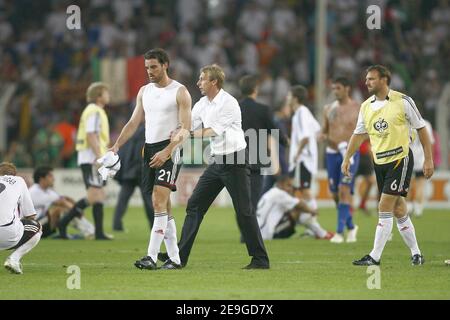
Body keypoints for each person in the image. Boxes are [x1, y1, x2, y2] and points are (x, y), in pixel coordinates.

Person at [160, 64, 270, 270]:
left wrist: (187, 135)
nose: (198, 82)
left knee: (244, 212)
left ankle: (260, 259)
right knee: (194, 205)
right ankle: (178, 258)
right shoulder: (202, 103)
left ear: (214, 82)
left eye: (202, 79)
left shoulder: (229, 103)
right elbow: (189, 125)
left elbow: (213, 131)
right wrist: (177, 131)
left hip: (235, 160)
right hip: (218, 160)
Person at [342, 65, 434, 266]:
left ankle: (374, 257)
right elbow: (358, 134)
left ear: (384, 80)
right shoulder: (366, 106)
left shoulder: (403, 101)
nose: (367, 82)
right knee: (399, 209)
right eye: (366, 79)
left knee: (384, 206)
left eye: (371, 79)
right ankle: (416, 254)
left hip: (400, 159)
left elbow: (421, 129)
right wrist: (347, 157)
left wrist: (428, 159)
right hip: (380, 162)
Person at [111, 48, 192, 270]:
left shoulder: (180, 91)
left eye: (154, 67)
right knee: (163, 205)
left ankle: (151, 256)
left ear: (165, 64)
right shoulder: (144, 91)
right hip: (148, 151)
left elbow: (186, 129)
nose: (149, 71)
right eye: (147, 67)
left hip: (170, 151)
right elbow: (133, 122)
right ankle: (175, 258)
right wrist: (117, 144)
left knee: (157, 200)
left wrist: (167, 150)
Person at [238, 74, 288, 214]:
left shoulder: (235, 108)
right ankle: (250, 233)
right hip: (257, 160)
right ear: (255, 89)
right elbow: (274, 131)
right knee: (253, 200)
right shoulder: (263, 110)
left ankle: (245, 231)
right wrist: (285, 141)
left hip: (237, 158)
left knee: (240, 200)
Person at [320, 77, 360, 244]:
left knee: (344, 190)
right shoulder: (328, 109)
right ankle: (351, 226)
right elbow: (325, 131)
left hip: (349, 154)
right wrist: (322, 136)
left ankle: (338, 232)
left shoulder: (358, 108)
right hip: (331, 153)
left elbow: (362, 132)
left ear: (347, 89)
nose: (335, 91)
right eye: (333, 88)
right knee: (335, 194)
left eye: (338, 88)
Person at [75, 82, 113, 240]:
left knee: (99, 194)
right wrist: (99, 157)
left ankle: (98, 232)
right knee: (94, 195)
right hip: (91, 159)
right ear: (99, 96)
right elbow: (91, 135)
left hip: (91, 158)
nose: (108, 96)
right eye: (106, 93)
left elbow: (96, 135)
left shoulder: (96, 111)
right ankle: (63, 223)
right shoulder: (95, 111)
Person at [257, 175, 333, 240]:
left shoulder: (272, 192)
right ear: (280, 185)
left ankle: (319, 233)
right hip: (265, 233)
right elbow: (300, 204)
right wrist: (312, 211)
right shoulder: (279, 193)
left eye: (291, 186)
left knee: (297, 211)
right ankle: (321, 233)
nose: (290, 188)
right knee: (298, 211)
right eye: (288, 185)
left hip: (259, 230)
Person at [29, 166, 94, 239]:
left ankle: (90, 231)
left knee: (67, 210)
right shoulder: (34, 192)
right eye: (50, 176)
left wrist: (75, 207)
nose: (53, 179)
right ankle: (90, 231)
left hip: (39, 225)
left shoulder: (47, 191)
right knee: (61, 211)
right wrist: (77, 210)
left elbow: (65, 199)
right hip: (30, 228)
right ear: (42, 179)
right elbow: (62, 202)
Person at [0, 162, 42, 274]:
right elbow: (30, 215)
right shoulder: (18, 181)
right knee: (36, 226)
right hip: (7, 235)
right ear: (14, 174)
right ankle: (13, 259)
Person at [288, 85, 321, 224]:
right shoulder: (303, 112)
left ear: (295, 98)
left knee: (305, 190)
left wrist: (298, 152)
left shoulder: (301, 112)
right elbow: (317, 131)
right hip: (306, 158)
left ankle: (314, 224)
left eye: (289, 95)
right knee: (295, 190)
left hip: (302, 159)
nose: (287, 98)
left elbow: (306, 136)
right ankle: (308, 222)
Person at [112, 125, 154, 231]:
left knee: (123, 199)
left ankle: (117, 224)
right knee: (148, 200)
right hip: (140, 172)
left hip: (129, 172)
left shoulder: (131, 135)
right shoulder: (146, 133)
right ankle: (153, 225)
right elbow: (141, 155)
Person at [407, 118, 434, 217]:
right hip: (421, 158)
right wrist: (431, 159)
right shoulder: (426, 123)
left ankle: (409, 207)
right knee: (420, 184)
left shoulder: (407, 123)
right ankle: (418, 209)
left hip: (408, 156)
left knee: (407, 184)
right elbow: (430, 142)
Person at [355, 140, 376, 215]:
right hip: (355, 154)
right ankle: (350, 208)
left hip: (366, 156)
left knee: (370, 182)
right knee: (350, 182)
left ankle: (362, 204)